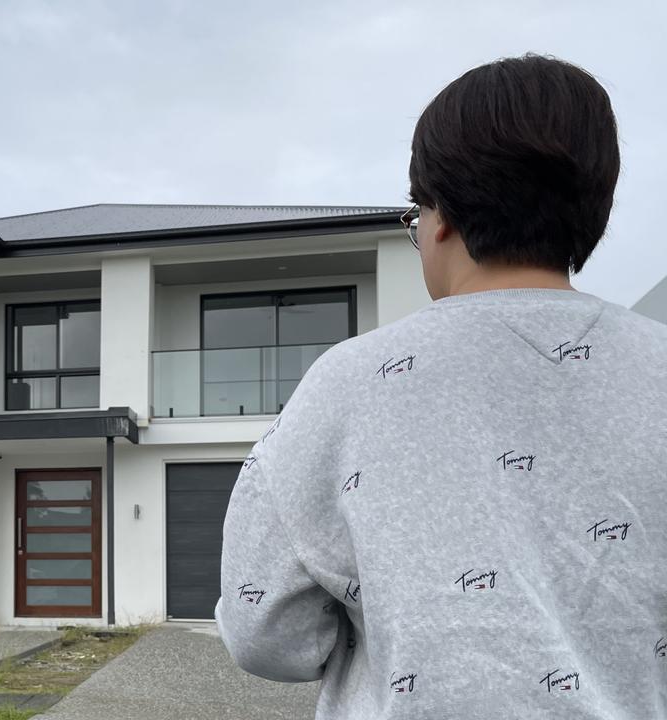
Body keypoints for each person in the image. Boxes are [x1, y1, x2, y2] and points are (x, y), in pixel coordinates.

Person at [215, 54, 666, 719]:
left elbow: (266, 635)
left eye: (414, 215)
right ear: (591, 210)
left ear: (442, 216)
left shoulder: (347, 383)